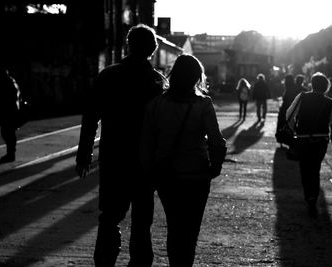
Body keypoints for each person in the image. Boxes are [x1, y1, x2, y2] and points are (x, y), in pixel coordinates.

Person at [75, 24, 167, 266]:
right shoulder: (158, 82)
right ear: (153, 49)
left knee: (109, 217)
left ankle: (105, 261)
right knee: (141, 221)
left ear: (128, 44)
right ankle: (139, 263)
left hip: (114, 157)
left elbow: (90, 116)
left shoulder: (108, 75)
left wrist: (84, 153)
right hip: (145, 163)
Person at [140, 54, 227, 266]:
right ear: (197, 77)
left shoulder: (156, 104)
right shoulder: (203, 104)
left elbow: (147, 142)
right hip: (196, 176)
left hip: (167, 176)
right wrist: (214, 167)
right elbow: (217, 141)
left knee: (175, 226)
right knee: (191, 230)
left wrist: (148, 172)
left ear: (174, 74)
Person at [286, 72, 332, 217]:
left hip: (303, 137)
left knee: (304, 167)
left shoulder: (302, 97)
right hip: (321, 139)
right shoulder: (329, 102)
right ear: (326, 86)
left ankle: (309, 195)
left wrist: (294, 129)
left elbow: (289, 114)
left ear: (312, 84)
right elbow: (331, 120)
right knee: (315, 167)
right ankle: (313, 194)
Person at [0, 68, 20, 164]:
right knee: (7, 132)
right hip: (10, 110)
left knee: (8, 133)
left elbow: (12, 97)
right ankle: (11, 153)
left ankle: (11, 154)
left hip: (9, 110)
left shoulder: (8, 83)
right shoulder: (10, 81)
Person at [276, 74, 301, 143]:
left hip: (285, 109)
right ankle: (288, 139)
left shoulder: (287, 89)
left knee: (282, 123)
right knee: (290, 124)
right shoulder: (294, 88)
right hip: (292, 109)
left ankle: (282, 138)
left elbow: (285, 100)